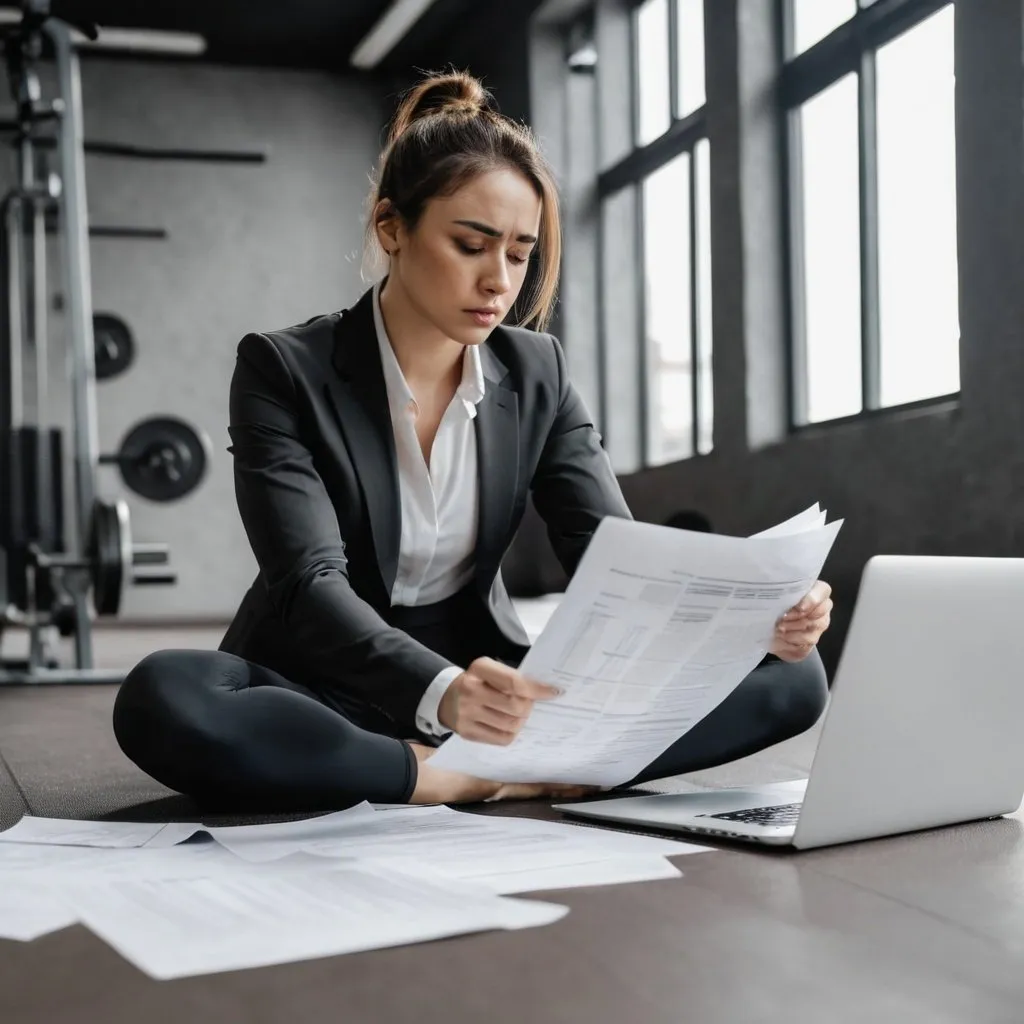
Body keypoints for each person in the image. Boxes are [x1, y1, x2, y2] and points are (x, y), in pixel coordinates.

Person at [112, 71, 834, 813]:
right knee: (164, 693)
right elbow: (307, 584)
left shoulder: (538, 372)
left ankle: (463, 767)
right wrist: (442, 694)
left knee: (793, 677)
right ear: (392, 227)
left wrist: (756, 612)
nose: (500, 280)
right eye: (470, 244)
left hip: (486, 677)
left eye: (520, 254)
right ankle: (459, 775)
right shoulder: (281, 367)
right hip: (330, 684)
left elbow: (616, 555)